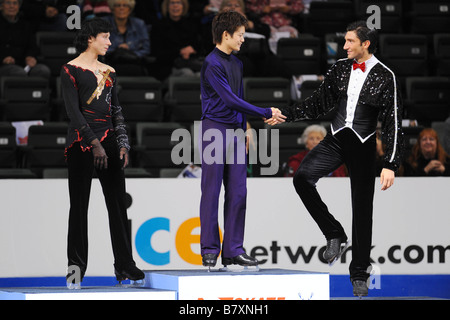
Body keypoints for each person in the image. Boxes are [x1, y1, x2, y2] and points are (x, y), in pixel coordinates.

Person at [275, 21, 404, 297]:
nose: (344, 46)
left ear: (365, 44)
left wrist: (390, 164)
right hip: (335, 138)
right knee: (302, 178)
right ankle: (334, 232)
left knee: (362, 209)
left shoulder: (385, 75)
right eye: (344, 41)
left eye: (349, 41)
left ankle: (359, 274)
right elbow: (317, 103)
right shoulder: (341, 67)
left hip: (363, 145)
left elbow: (392, 121)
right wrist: (286, 114)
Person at [61, 18, 144, 288]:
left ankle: (125, 268)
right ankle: (75, 270)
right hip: (82, 142)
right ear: (90, 39)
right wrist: (94, 143)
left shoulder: (109, 70)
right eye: (105, 37)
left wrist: (122, 142)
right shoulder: (70, 70)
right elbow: (73, 113)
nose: (110, 42)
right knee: (79, 207)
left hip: (108, 141)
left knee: (118, 206)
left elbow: (116, 109)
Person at [199, 10, 285, 269]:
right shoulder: (211, 63)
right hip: (214, 130)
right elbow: (229, 99)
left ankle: (233, 249)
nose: (243, 40)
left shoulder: (236, 63)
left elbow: (238, 97)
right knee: (211, 191)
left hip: (236, 130)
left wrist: (246, 125)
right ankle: (210, 249)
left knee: (238, 192)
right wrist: (265, 112)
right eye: (239, 35)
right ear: (225, 35)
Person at [150, 0, 202, 80]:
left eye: (178, 3)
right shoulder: (159, 26)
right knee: (187, 73)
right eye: (172, 3)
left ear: (183, 6)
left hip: (191, 63)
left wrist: (192, 50)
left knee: (201, 75)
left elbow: (200, 48)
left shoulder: (192, 25)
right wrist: (180, 52)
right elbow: (156, 52)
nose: (175, 6)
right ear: (167, 6)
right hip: (168, 67)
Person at [0, 0, 51, 79]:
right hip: (3, 65)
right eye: (8, 3)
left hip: (23, 64)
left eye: (15, 3)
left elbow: (33, 46)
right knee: (18, 73)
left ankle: (36, 91)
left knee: (43, 70)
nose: (12, 6)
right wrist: (3, 58)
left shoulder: (25, 25)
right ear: (1, 6)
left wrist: (30, 56)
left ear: (19, 7)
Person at [103, 0, 150, 75]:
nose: (121, 8)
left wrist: (130, 51)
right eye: (118, 5)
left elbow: (146, 49)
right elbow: (99, 47)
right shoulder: (103, 23)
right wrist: (118, 50)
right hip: (110, 64)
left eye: (125, 5)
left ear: (130, 9)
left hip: (135, 63)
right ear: (112, 8)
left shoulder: (139, 24)